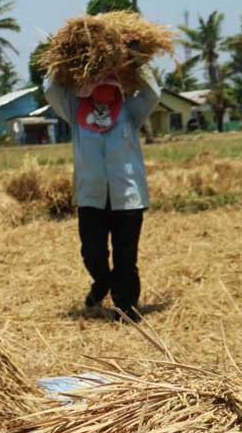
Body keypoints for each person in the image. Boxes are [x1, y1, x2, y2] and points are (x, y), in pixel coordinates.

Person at [45, 65, 160, 322]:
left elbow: (153, 93)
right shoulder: (76, 111)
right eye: (98, 83)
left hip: (127, 195)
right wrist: (59, 61)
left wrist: (137, 61)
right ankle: (102, 282)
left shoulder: (130, 110)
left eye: (110, 83)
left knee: (125, 256)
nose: (104, 89)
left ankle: (126, 309)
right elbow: (51, 91)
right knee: (92, 252)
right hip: (90, 196)